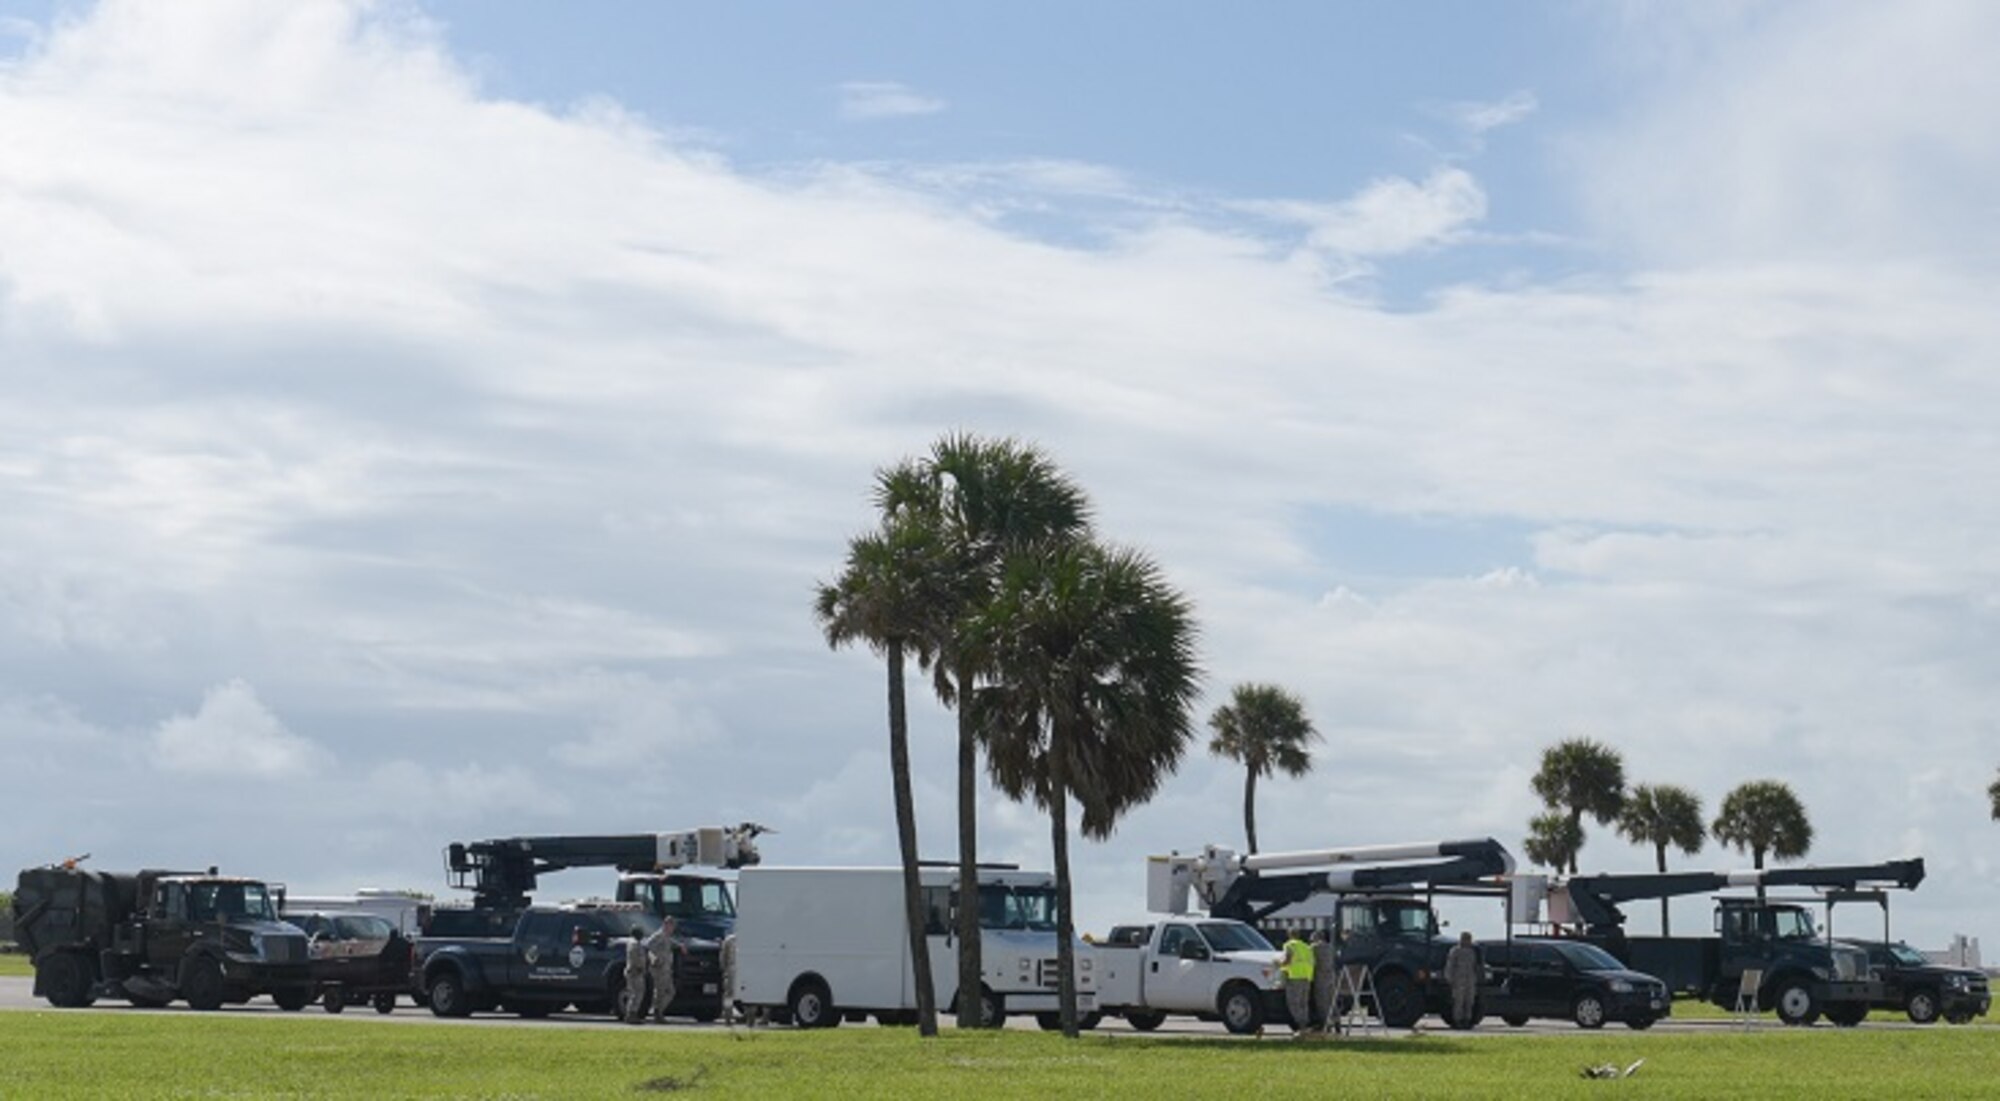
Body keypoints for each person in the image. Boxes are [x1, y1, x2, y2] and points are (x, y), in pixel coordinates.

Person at [1280, 928, 1315, 1036]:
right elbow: (1312, 961)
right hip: (1306, 976)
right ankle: (1305, 1024)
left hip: (1295, 976)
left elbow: (1287, 960)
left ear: (1289, 935)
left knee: (1294, 1003)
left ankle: (1301, 1026)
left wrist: (1277, 964)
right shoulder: (1306, 946)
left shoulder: (1289, 945)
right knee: (1303, 1003)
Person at [1444, 930, 1481, 1029]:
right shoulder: (1455, 951)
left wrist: (1476, 978)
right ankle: (1457, 1020)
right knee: (1458, 1001)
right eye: (1466, 939)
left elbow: (1474, 966)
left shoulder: (1472, 952)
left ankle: (1467, 1020)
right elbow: (1450, 965)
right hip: (1458, 978)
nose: (1468, 941)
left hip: (1470, 978)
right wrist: (1449, 978)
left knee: (1469, 1001)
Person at [644, 917, 678, 1023]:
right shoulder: (658, 935)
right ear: (666, 924)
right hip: (659, 968)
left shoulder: (667, 936)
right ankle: (658, 1013)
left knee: (670, 991)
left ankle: (658, 1010)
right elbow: (648, 945)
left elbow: (671, 942)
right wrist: (653, 957)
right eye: (671, 925)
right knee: (660, 991)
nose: (673, 928)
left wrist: (680, 945)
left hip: (666, 968)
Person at [1310, 928, 1340, 1035]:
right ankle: (1337, 1022)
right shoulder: (1331, 947)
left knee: (1322, 1001)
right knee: (1332, 1000)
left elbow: (1311, 961)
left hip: (1320, 976)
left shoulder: (1314, 947)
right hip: (1331, 975)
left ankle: (1325, 1024)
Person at [622, 926, 649, 1024]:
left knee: (636, 993)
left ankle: (632, 1013)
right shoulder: (634, 944)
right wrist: (638, 967)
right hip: (635, 972)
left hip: (635, 971)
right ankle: (631, 1014)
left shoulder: (633, 943)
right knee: (636, 993)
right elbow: (634, 957)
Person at [718, 932, 739, 1026]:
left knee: (729, 995)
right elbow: (723, 956)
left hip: (732, 969)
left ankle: (728, 1016)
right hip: (733, 969)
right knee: (729, 994)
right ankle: (728, 1016)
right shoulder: (730, 940)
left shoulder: (729, 939)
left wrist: (724, 969)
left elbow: (723, 957)